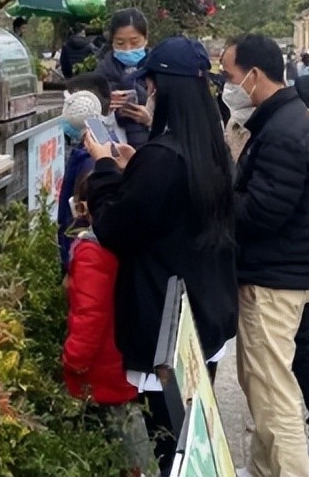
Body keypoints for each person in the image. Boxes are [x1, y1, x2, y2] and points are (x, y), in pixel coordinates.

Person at [85, 37, 238, 476]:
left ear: (162, 88)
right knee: (194, 427)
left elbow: (115, 228)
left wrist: (106, 170)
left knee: (171, 439)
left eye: (150, 83)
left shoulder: (162, 157)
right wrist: (136, 169)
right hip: (208, 312)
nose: (147, 90)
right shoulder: (211, 147)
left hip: (164, 326)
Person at [221, 34, 309, 476]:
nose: (227, 85)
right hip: (281, 269)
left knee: (273, 393)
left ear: (254, 75)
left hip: (274, 277)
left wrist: (216, 194)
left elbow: (262, 213)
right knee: (259, 384)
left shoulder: (283, 129)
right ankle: (263, 468)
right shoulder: (280, 117)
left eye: (230, 76)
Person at [61, 173, 148, 472]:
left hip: (101, 369)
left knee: (122, 440)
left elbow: (90, 314)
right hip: (125, 359)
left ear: (84, 207)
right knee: (128, 433)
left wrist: (73, 359)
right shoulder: (127, 238)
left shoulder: (91, 252)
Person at [57, 82, 110, 273]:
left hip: (85, 257)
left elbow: (79, 218)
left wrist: (68, 260)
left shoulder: (91, 159)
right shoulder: (103, 140)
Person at [94, 8, 153, 147]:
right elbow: (88, 124)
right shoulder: (100, 75)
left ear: (146, 39)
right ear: (112, 42)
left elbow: (180, 123)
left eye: (134, 42)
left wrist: (150, 120)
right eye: (120, 43)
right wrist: (102, 107)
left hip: (153, 153)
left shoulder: (161, 72)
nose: (127, 49)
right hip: (113, 152)